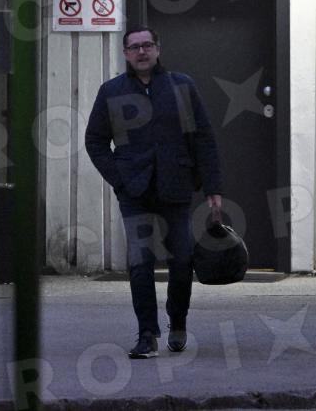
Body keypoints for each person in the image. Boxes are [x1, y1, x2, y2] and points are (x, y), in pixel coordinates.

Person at [85, 26, 223, 358]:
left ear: (158, 48)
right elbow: (95, 141)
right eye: (134, 47)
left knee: (182, 259)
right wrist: (119, 179)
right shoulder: (112, 91)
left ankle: (178, 321)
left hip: (175, 185)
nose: (142, 51)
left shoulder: (181, 86)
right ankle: (147, 333)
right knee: (141, 262)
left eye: (147, 45)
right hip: (134, 190)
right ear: (125, 54)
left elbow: (203, 137)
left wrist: (212, 187)